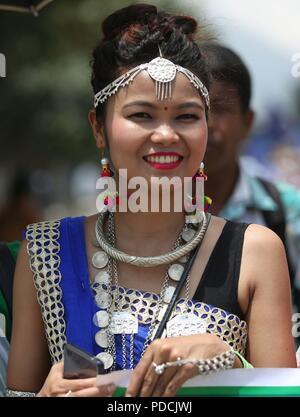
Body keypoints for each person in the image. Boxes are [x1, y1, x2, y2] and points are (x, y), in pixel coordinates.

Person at [6, 4, 296, 398]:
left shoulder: (255, 252)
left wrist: (228, 360)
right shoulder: (44, 252)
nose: (165, 135)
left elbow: (282, 391)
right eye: (141, 115)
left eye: (186, 117)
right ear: (98, 127)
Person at [200, 43, 300, 317]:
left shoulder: (286, 211)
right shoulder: (151, 214)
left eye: (219, 108)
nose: (206, 123)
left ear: (247, 122)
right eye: (190, 111)